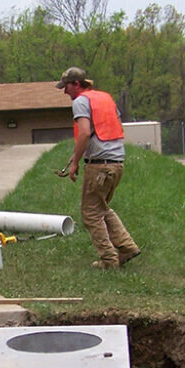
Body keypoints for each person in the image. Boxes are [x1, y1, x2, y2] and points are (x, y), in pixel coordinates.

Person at [58, 66, 140, 269]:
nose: (64, 91)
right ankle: (127, 247)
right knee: (101, 207)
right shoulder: (105, 98)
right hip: (116, 163)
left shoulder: (80, 101)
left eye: (66, 86)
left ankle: (109, 260)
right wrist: (80, 153)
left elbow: (85, 132)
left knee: (91, 213)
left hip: (100, 167)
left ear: (76, 84)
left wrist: (75, 163)